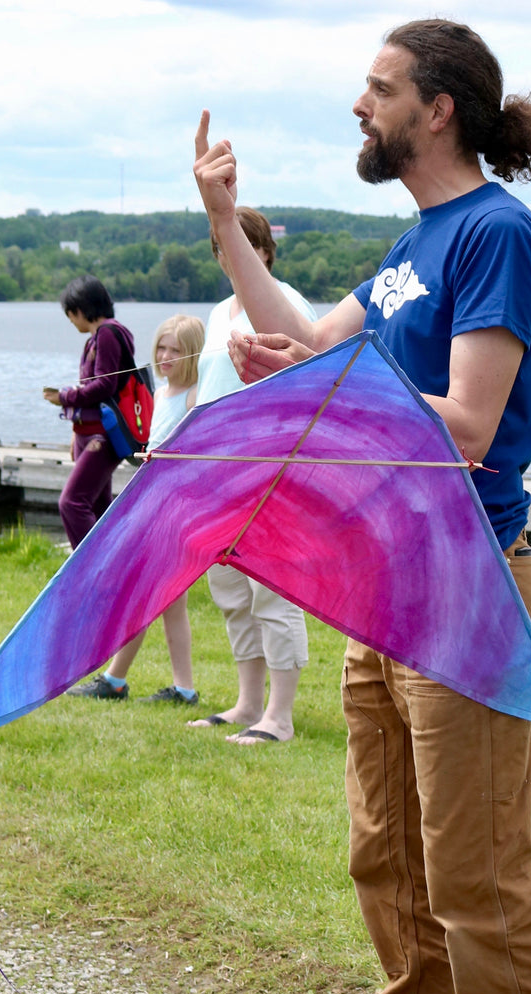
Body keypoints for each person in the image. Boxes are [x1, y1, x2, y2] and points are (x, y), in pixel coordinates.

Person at [194, 18, 531, 994]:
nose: (359, 106)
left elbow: (466, 426)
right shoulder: (414, 245)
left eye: (377, 88)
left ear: (435, 107)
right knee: (387, 860)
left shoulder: (494, 234)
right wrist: (227, 226)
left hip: (466, 590)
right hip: (381, 587)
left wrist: (340, 383)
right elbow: (312, 343)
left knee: (476, 881)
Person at [186, 207, 317, 747]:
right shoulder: (219, 313)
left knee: (271, 590)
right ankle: (247, 703)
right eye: (220, 246)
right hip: (217, 477)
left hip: (271, 474)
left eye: (236, 244)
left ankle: (279, 717)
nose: (226, 256)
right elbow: (201, 391)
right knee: (231, 589)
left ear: (261, 251)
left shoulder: (285, 307)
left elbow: (309, 387)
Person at [67, 314, 205, 704]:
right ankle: (178, 687)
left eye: (175, 350)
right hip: (149, 502)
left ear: (192, 353)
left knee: (147, 595)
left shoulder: (195, 396)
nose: (165, 356)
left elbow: (195, 459)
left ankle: (119, 681)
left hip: (174, 512)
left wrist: (165, 459)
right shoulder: (161, 393)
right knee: (162, 601)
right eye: (161, 346)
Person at [44, 275, 134, 549]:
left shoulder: (107, 333)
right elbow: (94, 386)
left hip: (101, 436)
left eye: (71, 314)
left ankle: (90, 571)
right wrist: (76, 430)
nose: (71, 321)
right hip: (87, 433)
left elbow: (105, 385)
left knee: (71, 503)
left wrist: (64, 397)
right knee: (98, 509)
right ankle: (114, 573)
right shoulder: (94, 339)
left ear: (81, 309)